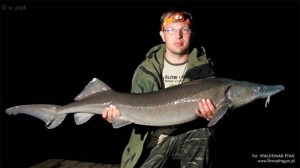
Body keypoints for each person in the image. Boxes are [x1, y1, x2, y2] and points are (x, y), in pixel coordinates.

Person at [102, 10, 216, 168]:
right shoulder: (145, 70)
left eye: (184, 29)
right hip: (152, 143)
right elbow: (136, 113)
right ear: (162, 35)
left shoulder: (205, 70)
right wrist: (117, 116)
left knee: (203, 133)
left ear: (192, 33)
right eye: (171, 30)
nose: (178, 35)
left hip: (187, 138)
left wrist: (213, 117)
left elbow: (220, 120)